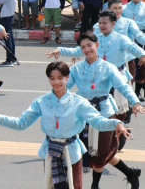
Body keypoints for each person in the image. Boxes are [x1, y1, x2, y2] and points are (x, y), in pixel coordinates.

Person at [0, 61, 132, 189]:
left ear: (67, 78)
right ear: (48, 80)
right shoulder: (41, 102)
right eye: (52, 78)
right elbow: (22, 123)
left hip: (71, 153)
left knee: (74, 186)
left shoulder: (79, 102)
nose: (56, 82)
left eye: (60, 78)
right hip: (50, 152)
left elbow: (98, 121)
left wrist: (116, 123)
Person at [46, 32, 144, 189]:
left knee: (101, 153)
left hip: (104, 114)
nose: (87, 49)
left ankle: (94, 185)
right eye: (83, 47)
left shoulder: (108, 68)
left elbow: (123, 87)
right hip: (81, 114)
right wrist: (48, 103)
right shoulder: (77, 69)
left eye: (89, 45)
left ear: (96, 45)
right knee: (87, 151)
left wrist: (136, 102)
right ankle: (130, 173)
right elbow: (63, 88)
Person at [123, 0, 145, 101]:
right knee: (131, 65)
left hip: (142, 37)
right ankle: (129, 92)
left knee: (142, 66)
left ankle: (137, 92)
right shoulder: (123, 8)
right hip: (128, 37)